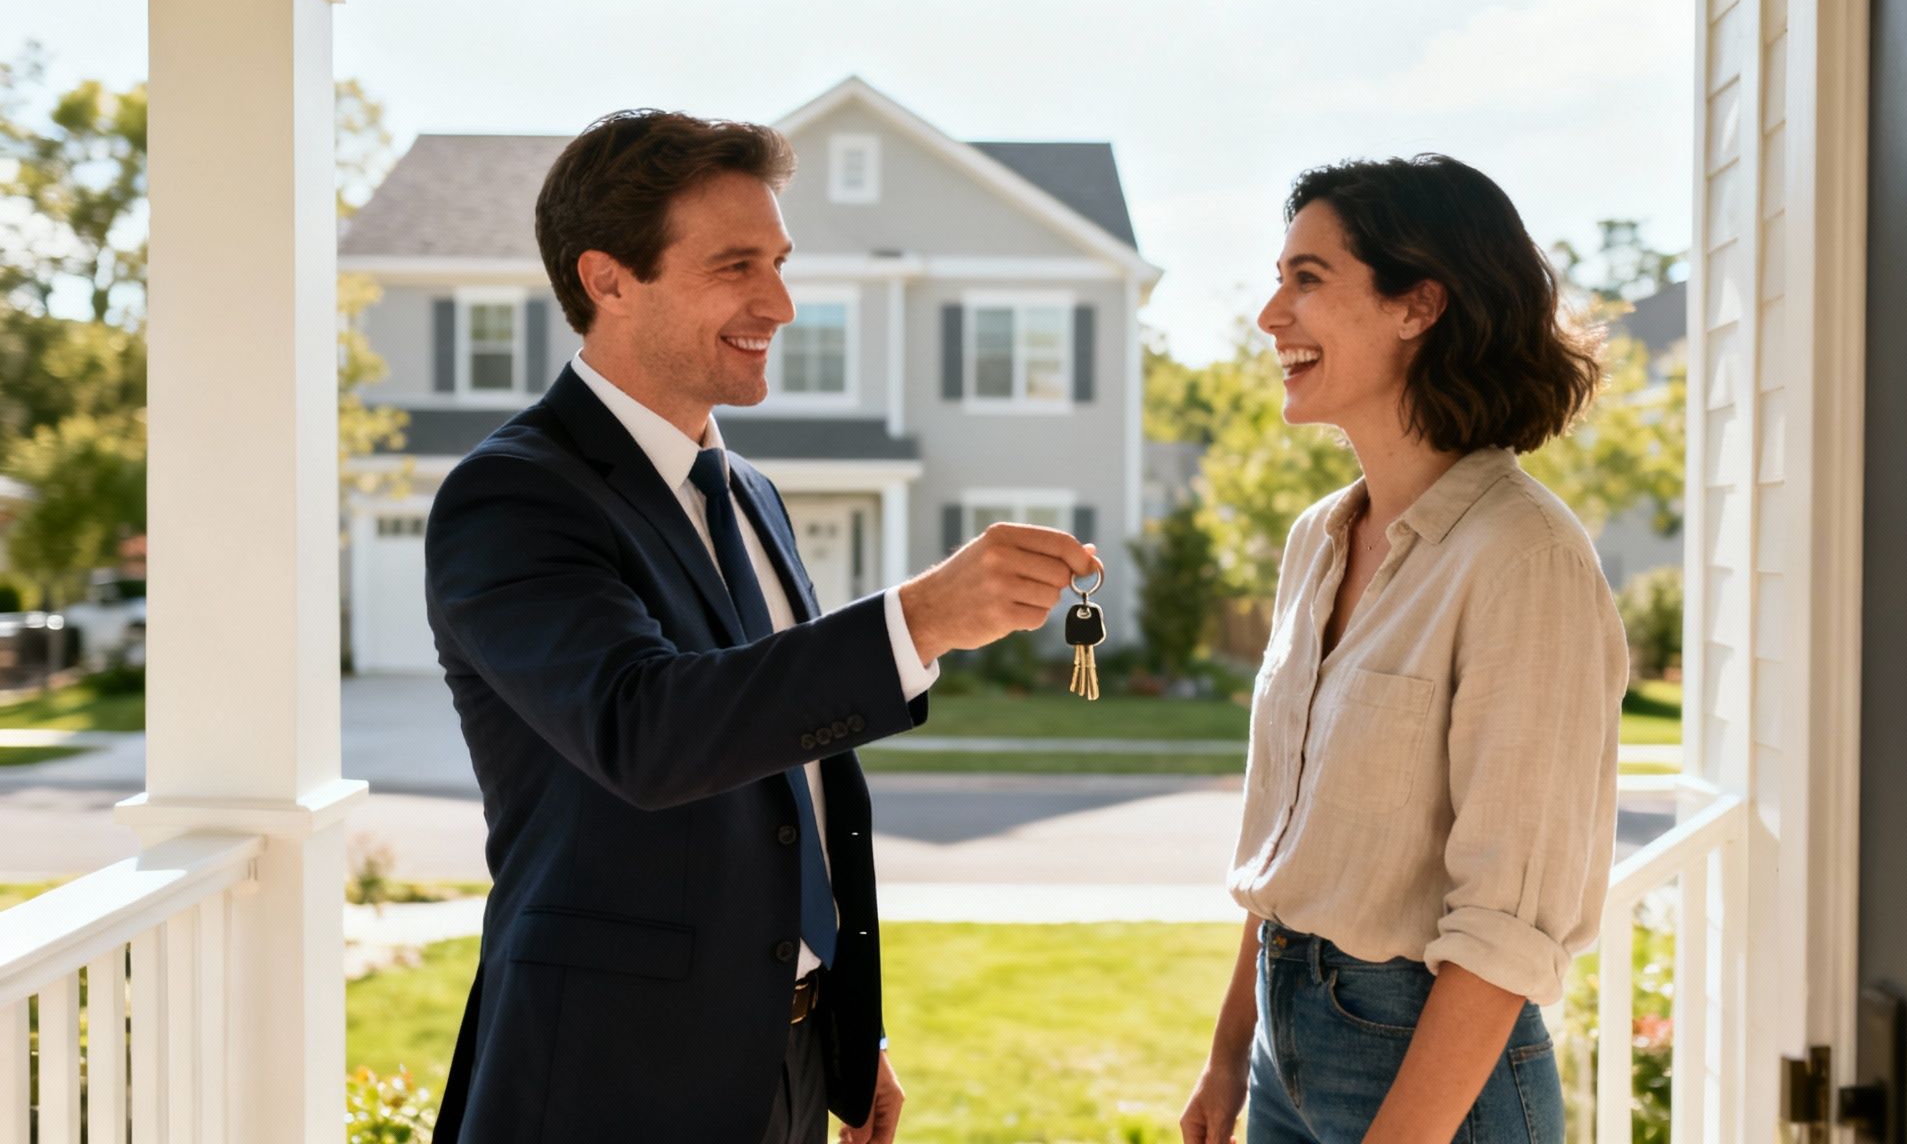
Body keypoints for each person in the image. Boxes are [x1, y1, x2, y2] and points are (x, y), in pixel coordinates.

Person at [425, 109, 1098, 1144]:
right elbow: (644, 732)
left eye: (780, 262)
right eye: (736, 265)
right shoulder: (513, 499)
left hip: (779, 1056)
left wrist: (842, 1024)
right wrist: (916, 619)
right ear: (606, 279)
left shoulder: (751, 493)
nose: (780, 303)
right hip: (607, 1079)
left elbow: (795, 775)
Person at [1180, 155, 1628, 1144]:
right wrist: (1226, 1060)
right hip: (1280, 1051)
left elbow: (1506, 927)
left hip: (1431, 1071)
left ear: (1415, 305)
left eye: (1306, 278)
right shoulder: (1316, 540)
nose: (1268, 313)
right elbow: (1286, 846)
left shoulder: (1522, 558)